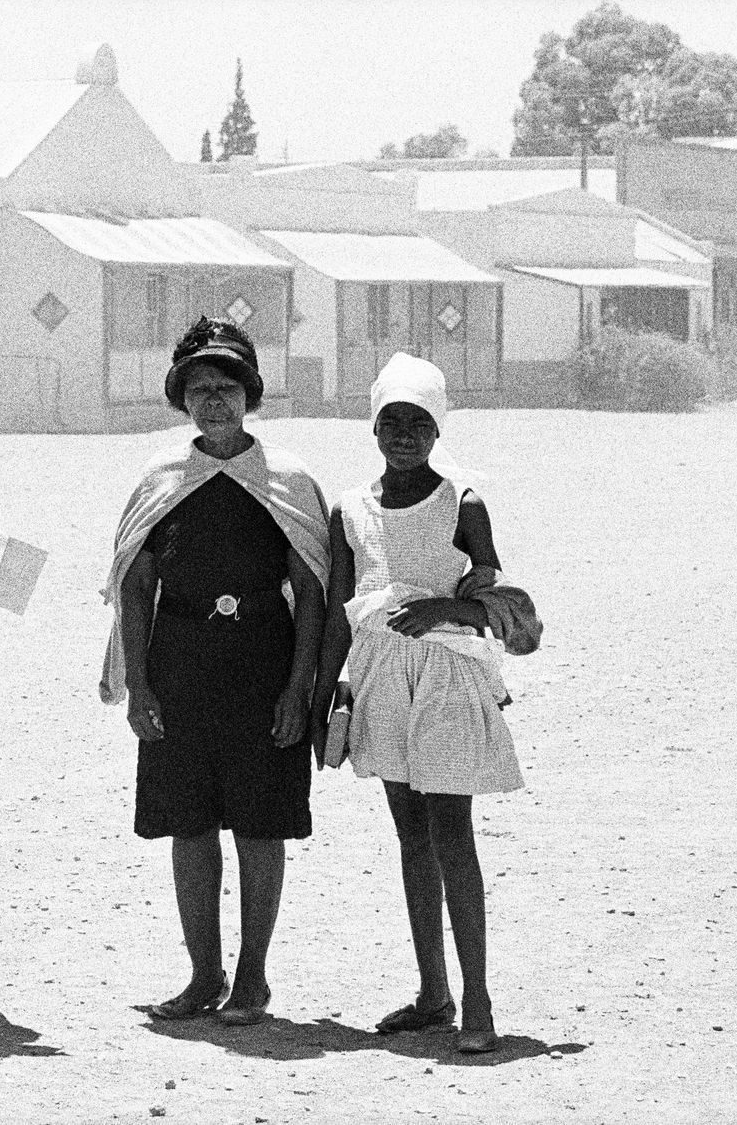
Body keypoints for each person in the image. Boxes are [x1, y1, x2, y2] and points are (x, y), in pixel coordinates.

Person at [307, 352, 542, 1054]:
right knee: (411, 836)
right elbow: (338, 611)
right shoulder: (350, 508)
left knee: (452, 833)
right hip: (380, 674)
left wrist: (446, 603)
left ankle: (478, 1001)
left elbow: (491, 599)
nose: (404, 433)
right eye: (391, 420)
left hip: (446, 672)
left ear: (438, 428)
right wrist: (325, 698)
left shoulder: (461, 501)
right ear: (373, 426)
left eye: (418, 420)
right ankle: (431, 992)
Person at [100, 317, 329, 1026]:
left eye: (227, 387)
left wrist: (299, 689)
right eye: (199, 389)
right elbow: (134, 587)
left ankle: (253, 979)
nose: (214, 401)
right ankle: (203, 975)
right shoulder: (161, 478)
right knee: (188, 824)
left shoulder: (287, 480)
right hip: (180, 662)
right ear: (182, 399)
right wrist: (139, 685)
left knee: (260, 826)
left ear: (250, 394)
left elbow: (314, 588)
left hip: (263, 661)